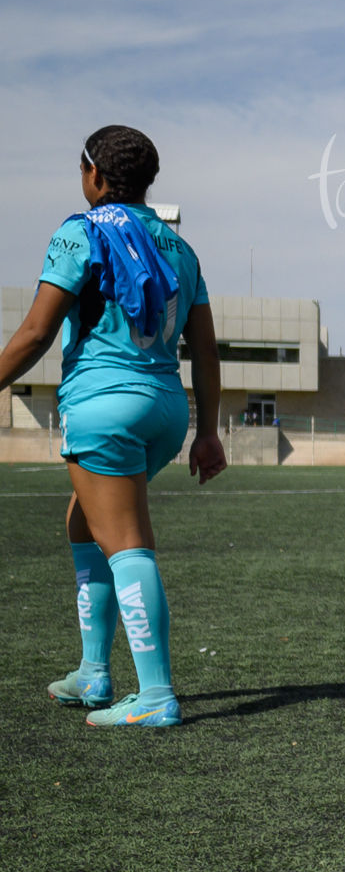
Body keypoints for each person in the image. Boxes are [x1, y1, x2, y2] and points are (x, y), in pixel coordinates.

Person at [0, 126, 227, 728]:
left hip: (104, 408)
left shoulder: (79, 233)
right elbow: (205, 352)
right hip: (165, 411)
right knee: (83, 518)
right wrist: (208, 431)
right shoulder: (180, 249)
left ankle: (155, 695)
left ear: (95, 175)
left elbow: (34, 334)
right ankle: (92, 671)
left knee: (126, 542)